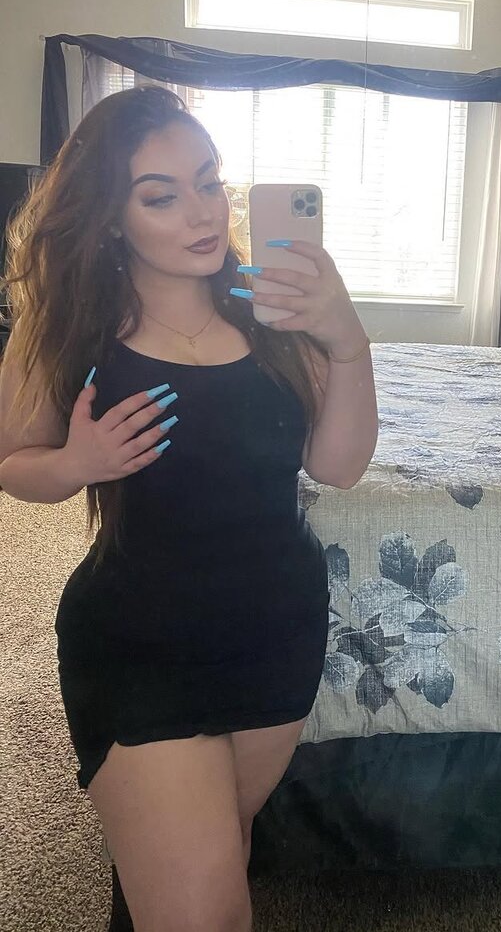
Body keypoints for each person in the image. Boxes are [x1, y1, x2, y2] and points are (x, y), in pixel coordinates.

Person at [0, 85, 378, 931]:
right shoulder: (69, 330)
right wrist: (75, 464)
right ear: (111, 218)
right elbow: (12, 465)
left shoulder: (274, 314)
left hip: (276, 633)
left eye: (209, 181)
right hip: (140, 642)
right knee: (208, 911)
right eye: (161, 196)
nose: (202, 211)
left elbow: (339, 466)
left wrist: (347, 339)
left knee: (211, 857)